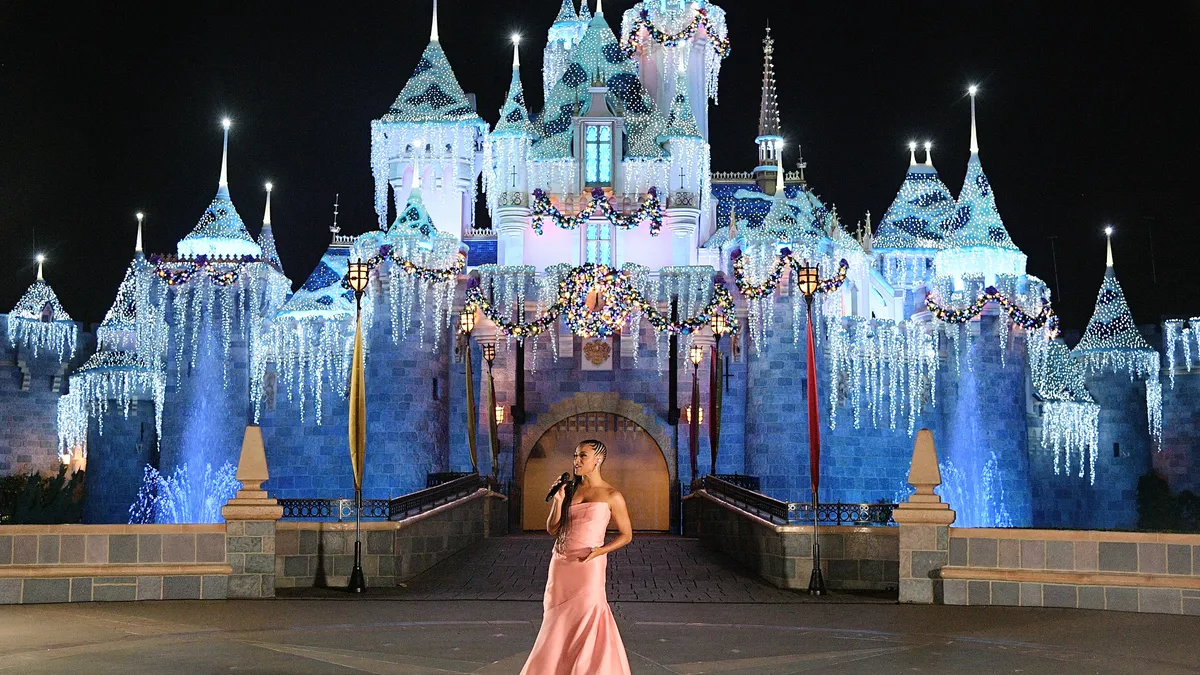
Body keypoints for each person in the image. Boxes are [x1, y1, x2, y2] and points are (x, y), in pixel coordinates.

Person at [520, 439, 633, 675]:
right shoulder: (570, 490)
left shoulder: (612, 495)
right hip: (561, 564)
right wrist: (559, 501)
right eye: (575, 456)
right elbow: (553, 529)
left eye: (583, 456)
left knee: (587, 616)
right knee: (556, 619)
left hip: (588, 565)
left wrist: (601, 550)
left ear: (598, 460)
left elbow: (626, 535)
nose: (576, 461)